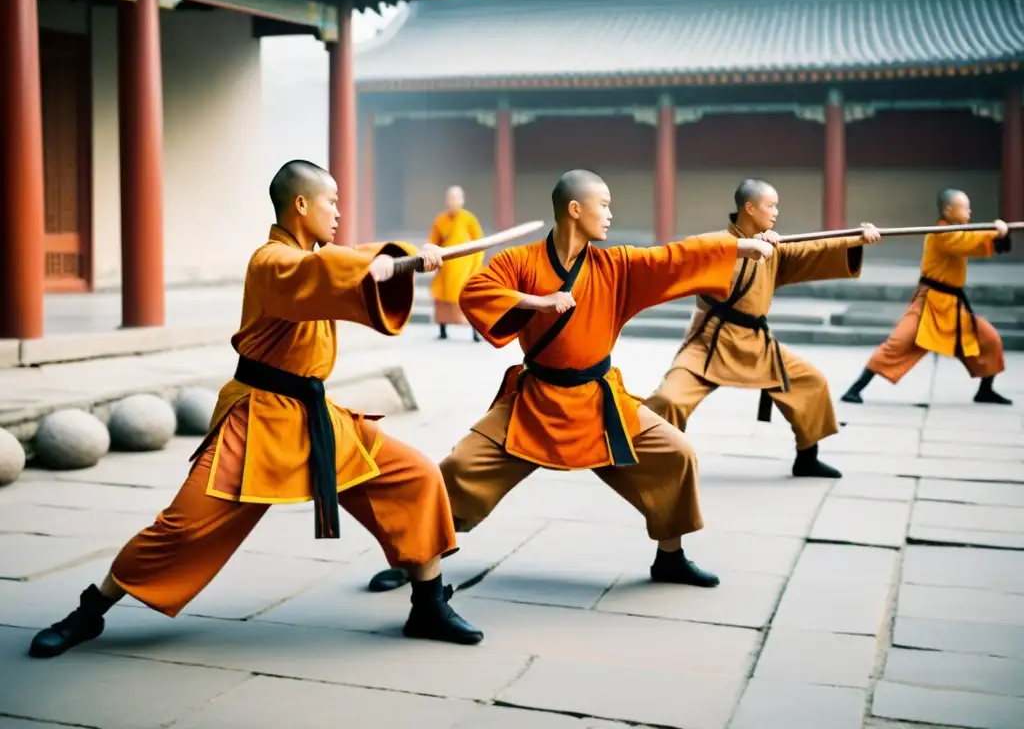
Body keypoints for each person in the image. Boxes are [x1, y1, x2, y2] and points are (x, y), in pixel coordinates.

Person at [27, 160, 483, 659]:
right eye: (330, 201)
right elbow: (322, 271)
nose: (337, 212)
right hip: (258, 418)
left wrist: (408, 260)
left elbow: (341, 262)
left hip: (315, 416)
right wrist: (386, 261)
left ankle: (428, 605)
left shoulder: (318, 257)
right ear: (301, 204)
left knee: (416, 476)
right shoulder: (271, 261)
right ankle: (89, 612)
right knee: (183, 526)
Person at [366, 169, 775, 595]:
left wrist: (741, 246)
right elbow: (476, 291)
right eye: (604, 205)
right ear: (575, 210)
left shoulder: (616, 265)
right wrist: (536, 302)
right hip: (535, 402)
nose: (611, 214)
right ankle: (414, 555)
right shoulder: (519, 262)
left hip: (600, 405)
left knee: (676, 454)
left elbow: (674, 256)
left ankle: (670, 556)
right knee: (458, 469)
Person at [643, 178, 882, 480]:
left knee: (812, 383)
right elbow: (689, 251)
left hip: (757, 344)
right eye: (771, 205)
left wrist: (855, 239)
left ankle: (807, 458)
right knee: (668, 399)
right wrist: (742, 247)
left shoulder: (774, 248)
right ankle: (656, 461)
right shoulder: (717, 243)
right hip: (711, 342)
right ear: (750, 207)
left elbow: (814, 247)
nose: (776, 212)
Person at [842, 188, 1012, 405]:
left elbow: (970, 240)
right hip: (929, 302)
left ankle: (985, 390)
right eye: (965, 208)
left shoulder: (957, 230)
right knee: (898, 343)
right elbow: (967, 241)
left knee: (989, 339)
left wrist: (999, 234)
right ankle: (855, 389)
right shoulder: (941, 233)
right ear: (949, 210)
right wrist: (996, 232)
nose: (969, 212)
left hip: (953, 305)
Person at [429, 186, 485, 342]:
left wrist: (476, 263)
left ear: (462, 200)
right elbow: (433, 243)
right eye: (450, 198)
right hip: (446, 266)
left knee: (469, 298)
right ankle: (443, 329)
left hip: (464, 266)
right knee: (441, 296)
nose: (453, 201)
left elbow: (479, 242)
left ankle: (475, 332)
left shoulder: (469, 219)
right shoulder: (440, 220)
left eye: (456, 198)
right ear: (446, 200)